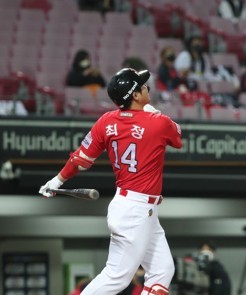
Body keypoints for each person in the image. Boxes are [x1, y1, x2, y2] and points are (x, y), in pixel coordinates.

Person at [39, 68, 183, 295]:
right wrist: (153, 112)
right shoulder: (158, 122)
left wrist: (57, 181)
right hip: (135, 210)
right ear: (135, 95)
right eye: (143, 86)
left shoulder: (107, 121)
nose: (147, 88)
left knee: (163, 269)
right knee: (117, 277)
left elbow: (81, 160)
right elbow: (177, 137)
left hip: (137, 207)